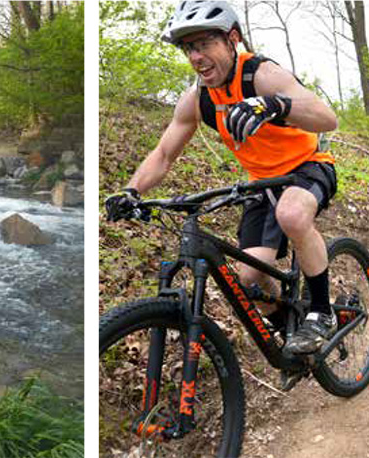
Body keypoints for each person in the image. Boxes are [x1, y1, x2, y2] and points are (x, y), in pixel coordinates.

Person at [105, 1, 339, 355]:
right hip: (261, 184)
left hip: (308, 165)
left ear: (232, 39)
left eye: (204, 44)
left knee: (292, 214)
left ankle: (322, 312)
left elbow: (327, 118)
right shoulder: (198, 99)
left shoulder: (260, 75)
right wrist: (131, 189)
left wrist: (276, 105)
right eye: (189, 48)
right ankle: (291, 328)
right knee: (246, 281)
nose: (196, 57)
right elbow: (164, 154)